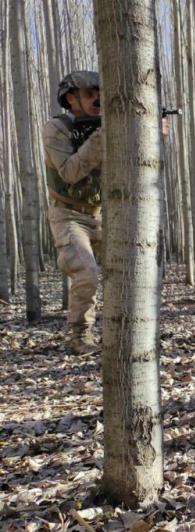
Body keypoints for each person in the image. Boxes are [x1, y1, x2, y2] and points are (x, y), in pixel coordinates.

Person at [43, 71, 104, 355]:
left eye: (100, 93)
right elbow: (69, 172)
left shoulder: (103, 125)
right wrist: (102, 136)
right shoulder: (57, 128)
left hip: (103, 213)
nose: (98, 99)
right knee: (87, 273)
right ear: (71, 97)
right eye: (90, 94)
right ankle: (80, 335)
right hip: (68, 215)